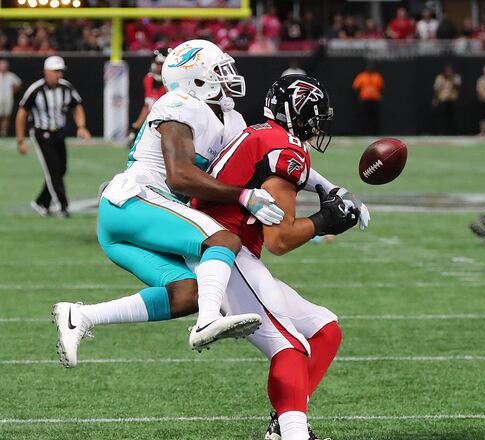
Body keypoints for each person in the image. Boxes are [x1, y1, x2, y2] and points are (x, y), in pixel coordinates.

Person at [51, 40, 285, 364]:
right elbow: (179, 176)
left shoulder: (231, 121)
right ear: (196, 78)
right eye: (219, 71)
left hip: (129, 223)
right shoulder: (179, 102)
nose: (228, 76)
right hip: (134, 200)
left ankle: (81, 316)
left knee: (188, 293)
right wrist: (243, 196)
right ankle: (206, 321)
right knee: (222, 239)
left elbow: (247, 174)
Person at [195, 74, 364, 440]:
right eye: (310, 115)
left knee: (324, 330)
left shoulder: (266, 136)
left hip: (226, 252)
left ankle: (283, 424)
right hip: (225, 255)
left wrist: (331, 188)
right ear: (293, 113)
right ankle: (292, 433)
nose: (315, 124)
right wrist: (325, 221)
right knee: (289, 346)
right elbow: (279, 239)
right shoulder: (284, 149)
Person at [16, 56, 91, 218]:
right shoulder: (35, 89)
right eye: (56, 71)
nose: (59, 75)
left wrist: (81, 126)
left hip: (59, 132)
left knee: (61, 168)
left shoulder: (66, 88)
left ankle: (41, 202)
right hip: (41, 133)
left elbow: (76, 106)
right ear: (46, 72)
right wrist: (20, 140)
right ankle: (63, 205)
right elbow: (22, 113)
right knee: (53, 170)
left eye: (61, 71)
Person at [128, 49, 167, 149]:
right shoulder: (148, 79)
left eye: (161, 64)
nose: (159, 67)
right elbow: (148, 106)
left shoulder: (171, 84)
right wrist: (135, 127)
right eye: (157, 63)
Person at [352, 62, 384, 135]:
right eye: (368, 67)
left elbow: (381, 87)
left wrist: (380, 96)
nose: (370, 68)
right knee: (364, 117)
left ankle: (375, 133)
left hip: (375, 100)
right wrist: (358, 97)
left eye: (371, 67)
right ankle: (363, 133)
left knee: (375, 117)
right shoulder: (361, 76)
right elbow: (355, 87)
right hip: (365, 100)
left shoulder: (377, 76)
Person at [433, 64, 461, 135]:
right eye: (447, 71)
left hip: (452, 100)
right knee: (442, 117)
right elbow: (436, 89)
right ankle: (442, 132)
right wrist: (435, 99)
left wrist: (451, 79)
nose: (448, 73)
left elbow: (458, 86)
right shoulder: (440, 78)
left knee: (453, 117)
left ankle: (454, 132)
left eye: (450, 71)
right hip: (443, 100)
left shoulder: (455, 77)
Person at [0, 59, 21, 137]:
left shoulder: (11, 75)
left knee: (6, 115)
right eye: (1, 65)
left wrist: (13, 91)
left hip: (8, 99)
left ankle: (3, 132)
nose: (3, 67)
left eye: (4, 65)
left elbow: (19, 84)